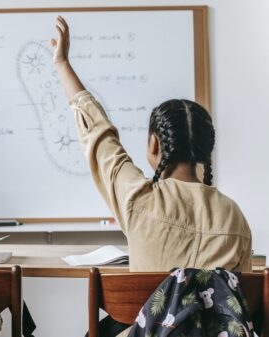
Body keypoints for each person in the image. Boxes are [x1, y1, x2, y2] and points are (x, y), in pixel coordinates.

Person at [50, 16, 252, 272]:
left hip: (144, 313)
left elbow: (100, 136)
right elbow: (245, 298)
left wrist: (62, 63)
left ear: (154, 144)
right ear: (206, 148)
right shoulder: (234, 217)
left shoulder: (138, 199)